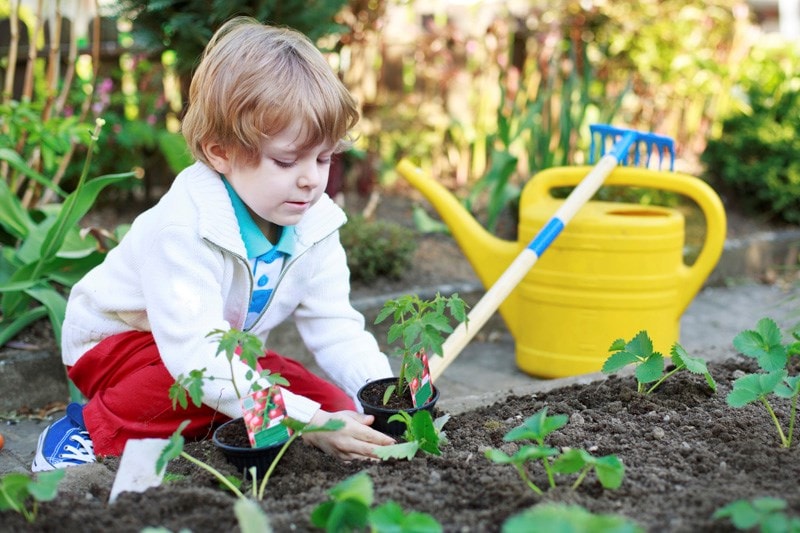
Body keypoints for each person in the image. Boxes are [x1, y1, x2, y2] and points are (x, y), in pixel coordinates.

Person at [31, 16, 396, 472]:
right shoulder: (186, 225)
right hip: (121, 348)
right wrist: (311, 423)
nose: (310, 179)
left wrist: (383, 393)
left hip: (219, 350)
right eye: (286, 160)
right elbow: (194, 359)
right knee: (208, 391)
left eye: (323, 158)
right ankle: (88, 427)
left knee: (333, 403)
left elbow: (335, 324)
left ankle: (221, 421)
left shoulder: (314, 222)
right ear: (220, 152)